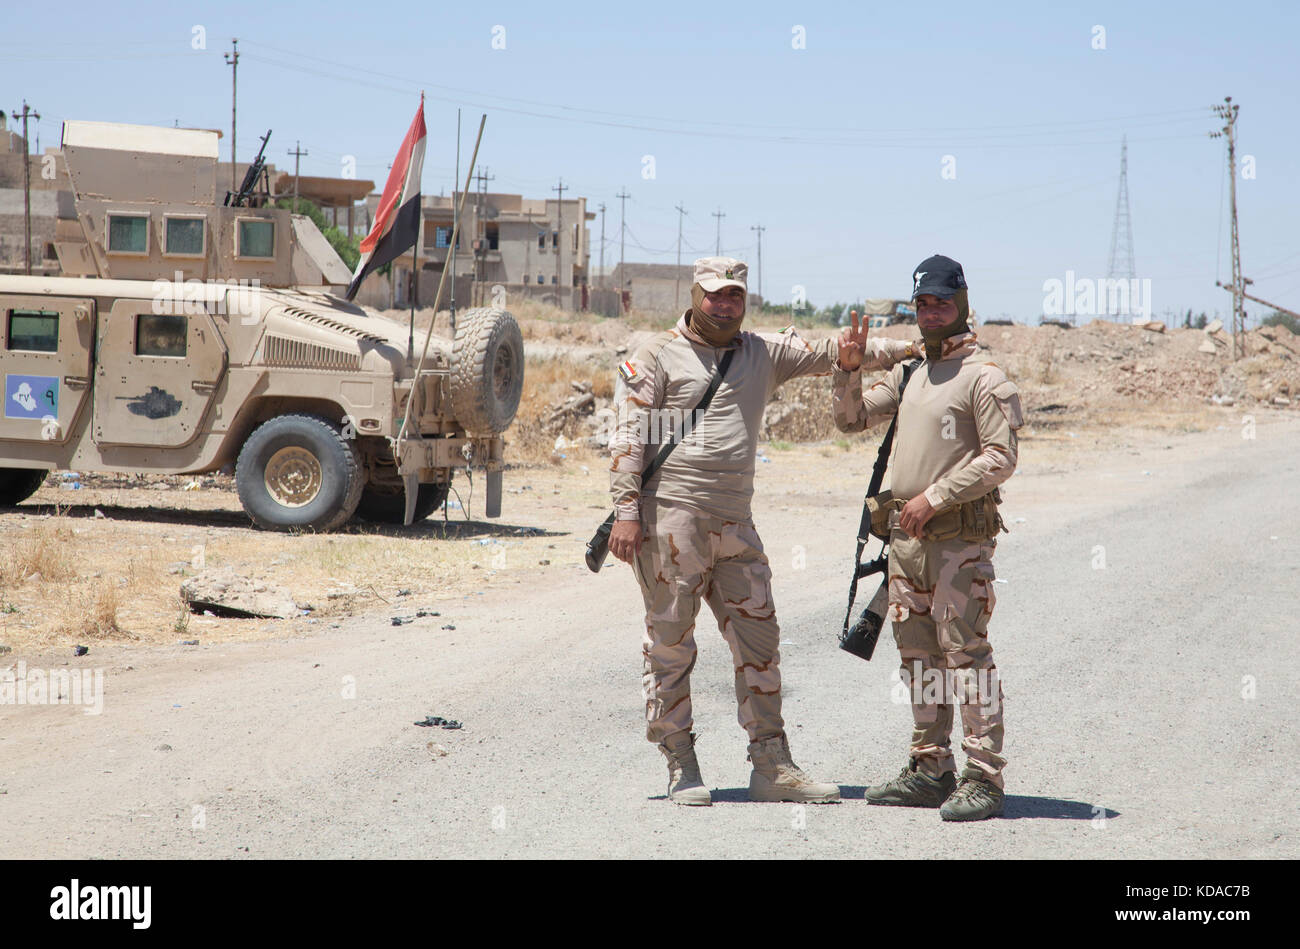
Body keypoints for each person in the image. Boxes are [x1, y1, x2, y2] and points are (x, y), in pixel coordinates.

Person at [609, 256, 915, 805]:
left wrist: (913, 347)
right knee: (671, 644)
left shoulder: (760, 351)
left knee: (761, 642)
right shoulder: (655, 354)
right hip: (670, 522)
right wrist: (626, 511)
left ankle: (771, 766)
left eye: (734, 296)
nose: (724, 304)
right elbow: (629, 435)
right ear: (695, 295)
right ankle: (681, 763)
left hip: (736, 524)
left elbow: (837, 354)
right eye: (714, 295)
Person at [831, 254, 1023, 821]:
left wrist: (934, 497)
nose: (931, 311)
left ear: (961, 303)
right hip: (907, 543)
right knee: (918, 660)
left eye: (941, 301)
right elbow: (851, 420)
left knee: (966, 657)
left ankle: (984, 778)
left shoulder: (983, 376)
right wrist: (847, 371)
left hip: (957, 543)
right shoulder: (913, 370)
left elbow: (1001, 457)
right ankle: (929, 768)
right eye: (922, 303)